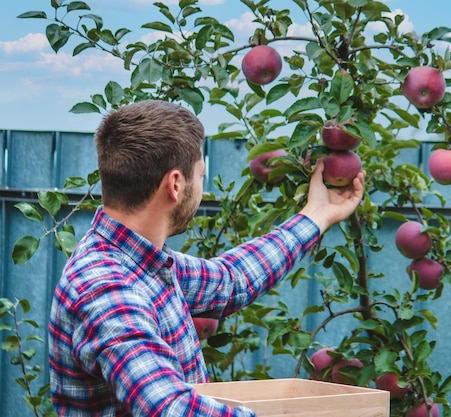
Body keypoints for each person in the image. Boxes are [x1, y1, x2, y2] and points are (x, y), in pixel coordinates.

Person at [48, 100, 366, 416]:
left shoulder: (141, 263)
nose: (202, 185)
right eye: (200, 174)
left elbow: (232, 279)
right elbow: (169, 407)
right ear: (175, 184)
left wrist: (316, 214)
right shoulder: (107, 287)